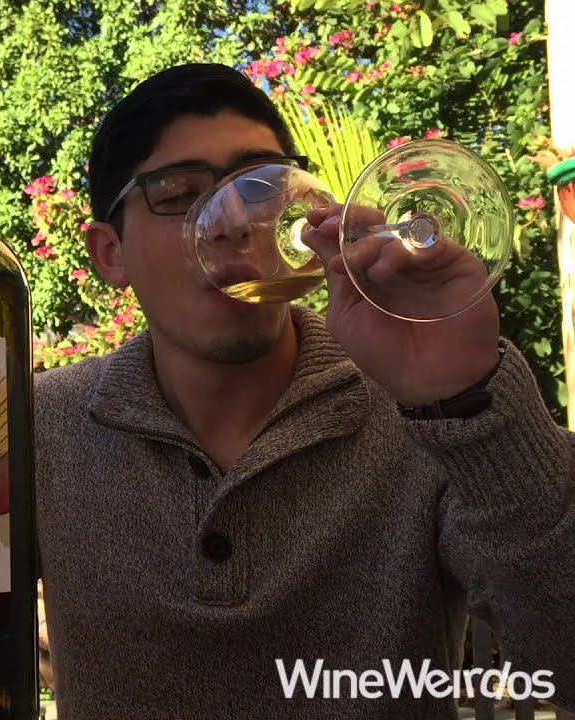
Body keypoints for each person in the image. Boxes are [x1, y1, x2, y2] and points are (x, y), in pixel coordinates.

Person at [34, 62, 575, 719]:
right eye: (177, 194)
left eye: (258, 186)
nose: (232, 222)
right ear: (110, 253)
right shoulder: (41, 425)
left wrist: (466, 403)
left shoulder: (422, 416)